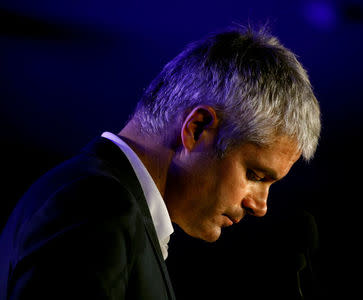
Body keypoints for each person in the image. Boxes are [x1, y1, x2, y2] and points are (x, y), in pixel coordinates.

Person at [0, 25, 321, 299]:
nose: (261, 206)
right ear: (196, 129)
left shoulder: (103, 204)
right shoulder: (96, 206)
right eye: (255, 174)